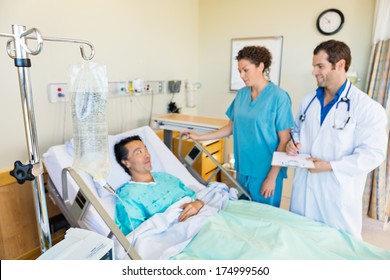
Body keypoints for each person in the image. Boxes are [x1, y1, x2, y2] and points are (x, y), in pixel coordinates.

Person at [286, 40, 388, 239]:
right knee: (300, 241)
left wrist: (330, 166)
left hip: (336, 191)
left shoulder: (367, 107)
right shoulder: (308, 101)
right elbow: (297, 129)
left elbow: (373, 154)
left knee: (337, 247)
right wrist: (294, 142)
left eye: (320, 66)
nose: (314, 71)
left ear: (340, 65)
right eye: (314, 66)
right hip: (304, 186)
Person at [185, 45, 295, 206]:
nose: (242, 75)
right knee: (244, 215)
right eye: (239, 71)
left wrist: (272, 177)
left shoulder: (279, 97)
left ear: (261, 66)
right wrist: (199, 137)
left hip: (266, 170)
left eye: (246, 70)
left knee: (264, 218)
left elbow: (284, 140)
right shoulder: (242, 94)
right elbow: (230, 127)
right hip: (243, 167)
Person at [114, 135, 204, 235]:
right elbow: (137, 234)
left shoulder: (165, 177)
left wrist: (198, 204)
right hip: (179, 235)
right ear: (126, 163)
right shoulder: (128, 195)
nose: (147, 155)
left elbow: (193, 197)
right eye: (139, 152)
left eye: (145, 150)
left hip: (202, 219)